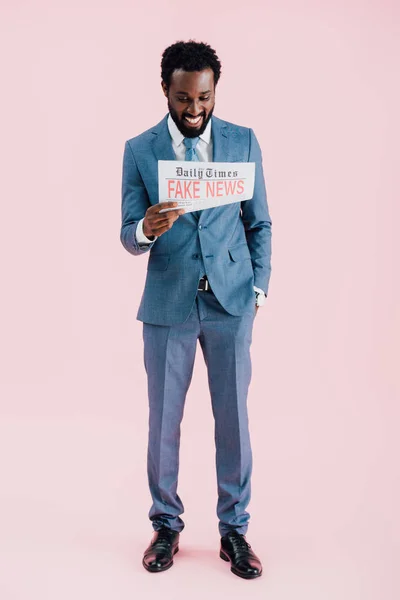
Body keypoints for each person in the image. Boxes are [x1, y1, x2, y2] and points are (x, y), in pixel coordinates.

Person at [120, 40, 272, 579]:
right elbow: (127, 234)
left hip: (231, 302)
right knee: (164, 421)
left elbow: (260, 222)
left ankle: (235, 530)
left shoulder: (243, 141)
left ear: (213, 92)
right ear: (165, 90)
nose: (193, 110)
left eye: (203, 97)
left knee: (233, 419)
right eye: (183, 97)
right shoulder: (139, 150)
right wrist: (145, 229)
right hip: (168, 304)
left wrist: (257, 289)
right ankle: (166, 525)